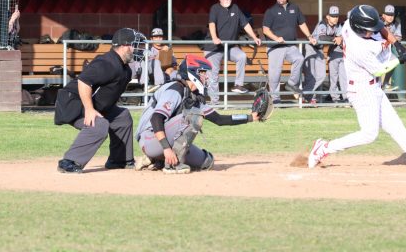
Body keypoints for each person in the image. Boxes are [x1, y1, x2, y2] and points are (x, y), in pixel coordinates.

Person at [308, 5, 406, 170]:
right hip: (361, 90)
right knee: (369, 134)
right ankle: (323, 148)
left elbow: (381, 28)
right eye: (368, 30)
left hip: (374, 87)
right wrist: (399, 60)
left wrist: (397, 44)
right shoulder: (359, 48)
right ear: (358, 28)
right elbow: (380, 70)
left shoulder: (352, 20)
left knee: (395, 125)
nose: (371, 32)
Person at [135, 54, 263, 174]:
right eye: (202, 72)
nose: (206, 76)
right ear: (192, 73)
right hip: (149, 138)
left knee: (207, 162)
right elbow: (156, 119)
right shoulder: (175, 89)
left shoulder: (194, 97)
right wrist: (166, 149)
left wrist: (251, 117)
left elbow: (219, 119)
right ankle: (170, 165)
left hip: (164, 140)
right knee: (194, 116)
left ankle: (158, 160)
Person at [54, 28, 146, 173]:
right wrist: (90, 110)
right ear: (124, 45)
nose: (139, 50)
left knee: (122, 117)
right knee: (99, 125)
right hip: (73, 103)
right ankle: (69, 161)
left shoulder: (125, 69)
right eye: (136, 45)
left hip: (91, 104)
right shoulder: (106, 63)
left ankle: (119, 160)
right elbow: (83, 82)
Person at [204, 0, 262, 105]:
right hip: (213, 48)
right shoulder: (215, 8)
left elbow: (245, 24)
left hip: (229, 47)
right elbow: (212, 24)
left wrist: (254, 37)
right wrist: (215, 38)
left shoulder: (235, 8)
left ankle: (238, 85)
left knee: (241, 56)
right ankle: (215, 103)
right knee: (213, 75)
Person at [262, 0, 316, 102]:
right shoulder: (271, 11)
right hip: (275, 46)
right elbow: (265, 30)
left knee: (299, 58)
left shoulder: (295, 8)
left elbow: (302, 23)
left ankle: (291, 83)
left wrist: (310, 36)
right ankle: (275, 98)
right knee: (275, 73)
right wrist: (276, 38)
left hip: (290, 45)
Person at [302, 5, 345, 105]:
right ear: (328, 16)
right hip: (310, 48)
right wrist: (336, 39)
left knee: (321, 76)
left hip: (319, 49)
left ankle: (305, 95)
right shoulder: (323, 23)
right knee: (311, 76)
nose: (335, 18)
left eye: (337, 16)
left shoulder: (338, 25)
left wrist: (340, 38)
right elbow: (322, 38)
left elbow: (339, 37)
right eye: (333, 16)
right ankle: (307, 97)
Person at [379, 4, 402, 90]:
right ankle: (377, 85)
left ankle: (385, 83)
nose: (390, 17)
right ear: (383, 15)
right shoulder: (378, 22)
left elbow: (399, 37)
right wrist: (391, 38)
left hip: (386, 50)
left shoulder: (396, 22)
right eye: (388, 15)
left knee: (394, 61)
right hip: (376, 50)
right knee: (377, 69)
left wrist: (389, 39)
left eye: (392, 15)